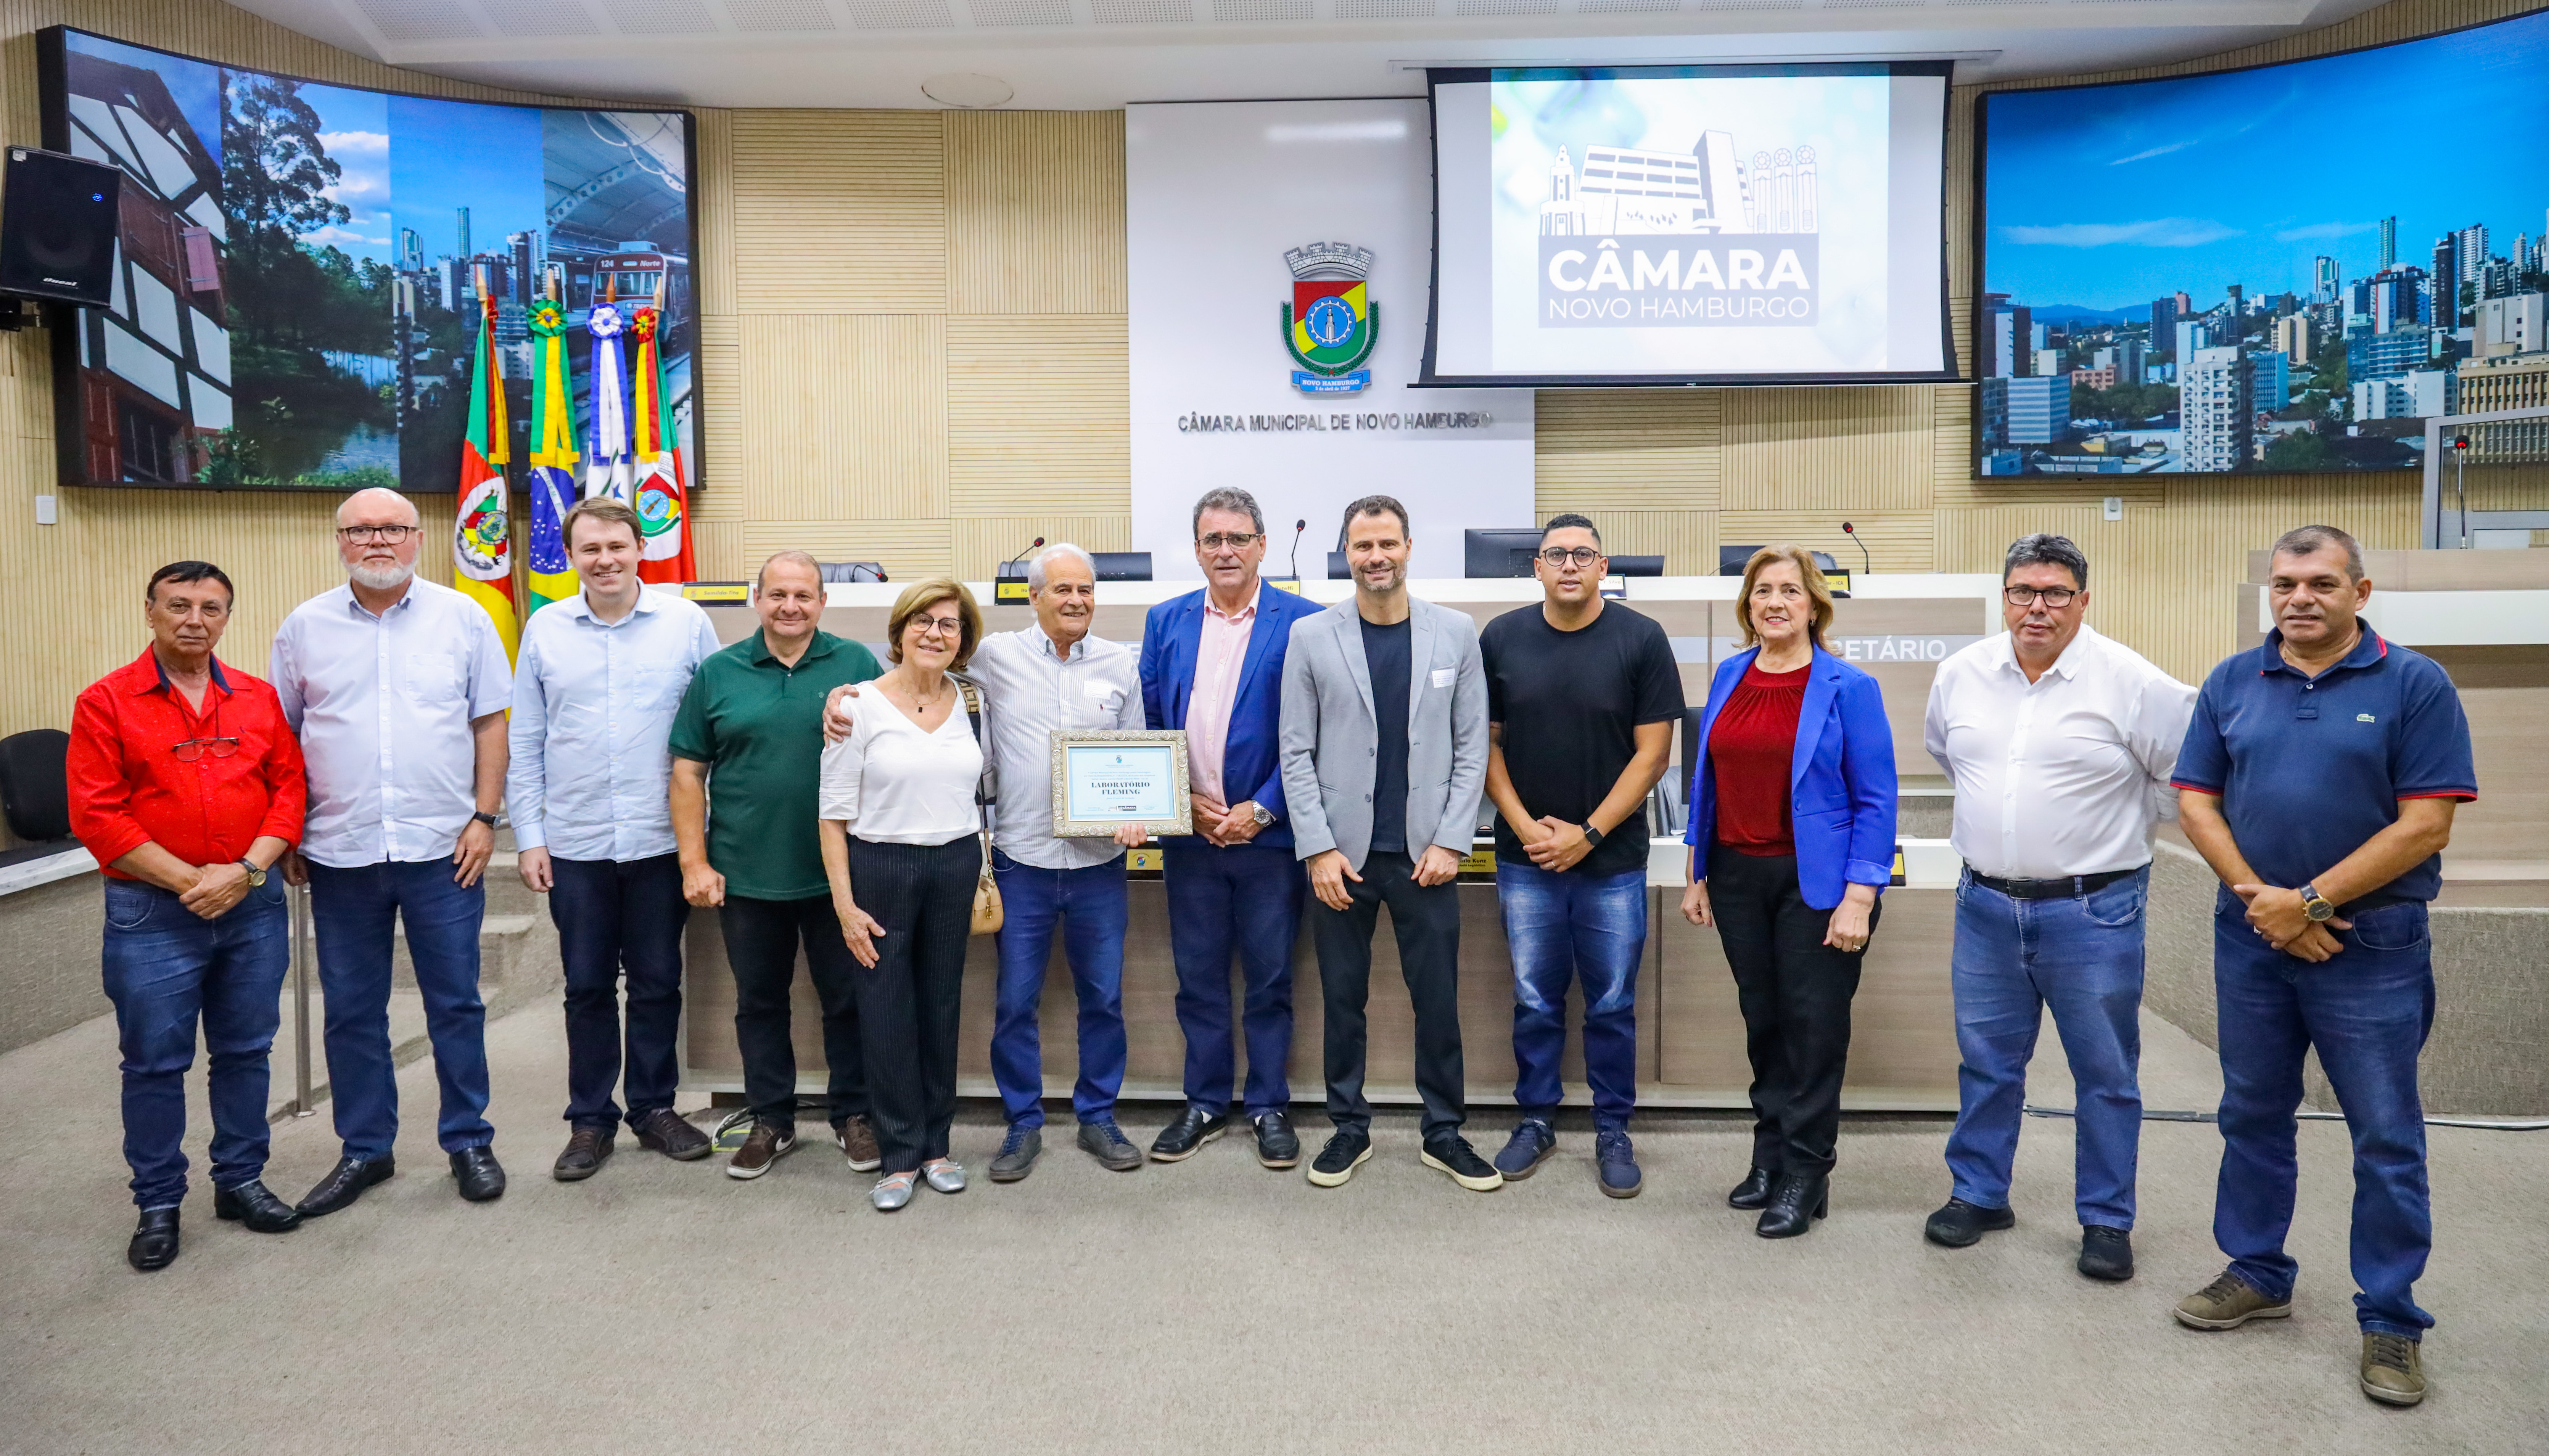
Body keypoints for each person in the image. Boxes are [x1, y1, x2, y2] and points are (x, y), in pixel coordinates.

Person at [2167, 524, 2474, 1409]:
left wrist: (2304, 903)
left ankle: (2389, 1316)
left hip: (2369, 945)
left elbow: (2424, 823)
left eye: (2319, 583)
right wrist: (2262, 902)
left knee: (2382, 1134)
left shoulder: (2414, 683)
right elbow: (2195, 798)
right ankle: (2256, 1270)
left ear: (2359, 592)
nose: (2298, 598)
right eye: (2283, 583)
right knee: (2251, 1112)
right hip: (2251, 937)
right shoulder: (2232, 680)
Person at [1921, 534, 2194, 1281]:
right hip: (1983, 907)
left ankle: (2105, 1219)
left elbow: (2184, 777)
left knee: (2103, 1072)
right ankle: (1978, 1192)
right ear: (2001, 596)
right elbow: (1948, 757)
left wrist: (2112, 827)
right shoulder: (1961, 674)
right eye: (2021, 591)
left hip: (2093, 911)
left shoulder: (2130, 681)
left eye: (2053, 593)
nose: (2035, 607)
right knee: (1986, 1064)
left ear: (2082, 599)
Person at [830, 543, 1149, 1182]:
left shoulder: (1122, 663)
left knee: (1104, 999)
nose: (1076, 600)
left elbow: (1137, 751)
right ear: (1032, 597)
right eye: (1061, 589)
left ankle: (1098, 1115)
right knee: (1015, 1003)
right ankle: (1023, 1122)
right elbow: (916, 662)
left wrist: (1140, 808)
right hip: (1019, 861)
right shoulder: (995, 657)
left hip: (1098, 865)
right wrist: (840, 695)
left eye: (1085, 589)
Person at [271, 488, 515, 1215]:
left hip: (444, 849)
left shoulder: (465, 617)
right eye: (361, 530)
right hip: (338, 852)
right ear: (340, 541)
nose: (378, 541)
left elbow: (490, 726)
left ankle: (468, 1139)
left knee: (456, 1003)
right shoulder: (303, 627)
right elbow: (282, 740)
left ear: (417, 537)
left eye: (393, 529)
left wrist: (485, 817)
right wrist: (286, 832)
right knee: (350, 1009)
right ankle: (365, 1149)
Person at [67, 562, 308, 1270]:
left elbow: (288, 792)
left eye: (211, 607)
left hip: (252, 904)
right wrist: (192, 882)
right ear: (151, 613)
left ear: (227, 618)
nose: (194, 619)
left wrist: (245, 872)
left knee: (245, 1050)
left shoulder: (259, 700)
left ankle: (240, 1181)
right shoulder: (105, 701)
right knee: (154, 1062)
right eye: (178, 605)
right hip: (153, 911)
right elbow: (97, 814)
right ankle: (159, 1202)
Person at [1279, 495, 1498, 1192]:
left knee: (1437, 999)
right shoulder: (1312, 637)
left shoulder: (1456, 633)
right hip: (1341, 858)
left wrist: (1452, 842)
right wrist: (1315, 848)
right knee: (1342, 1000)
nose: (1376, 557)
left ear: (1408, 547)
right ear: (1346, 554)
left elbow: (1471, 748)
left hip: (1425, 857)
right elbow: (1295, 753)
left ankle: (1444, 1132)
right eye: (1362, 546)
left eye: (1387, 544)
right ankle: (1348, 1128)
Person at [1679, 543, 1896, 1239]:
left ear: (1813, 605)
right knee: (1764, 1023)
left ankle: (1807, 1169)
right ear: (1748, 604)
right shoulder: (1730, 673)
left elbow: (1876, 797)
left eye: (1789, 591)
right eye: (1762, 590)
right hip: (1739, 875)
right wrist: (1697, 870)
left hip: (1820, 885)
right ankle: (1770, 1155)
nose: (1774, 602)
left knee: (1813, 1030)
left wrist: (1859, 895)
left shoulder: (1847, 687)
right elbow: (1705, 780)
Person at [509, 498, 724, 1181]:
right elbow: (526, 740)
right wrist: (530, 836)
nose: (604, 560)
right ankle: (591, 1119)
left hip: (664, 841)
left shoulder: (686, 624)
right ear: (571, 556)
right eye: (589, 549)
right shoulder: (545, 628)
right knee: (587, 987)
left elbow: (719, 725)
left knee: (660, 981)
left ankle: (654, 1107)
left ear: (640, 549)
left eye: (616, 546)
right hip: (575, 844)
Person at [1479, 514, 1682, 1198]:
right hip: (1524, 858)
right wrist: (1527, 828)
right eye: (1556, 554)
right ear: (1536, 566)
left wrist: (1587, 834)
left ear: (1603, 567)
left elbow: (1653, 754)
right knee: (1534, 999)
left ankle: (1611, 1127)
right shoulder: (1501, 638)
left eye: (1582, 554)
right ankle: (1535, 1118)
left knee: (1612, 1002)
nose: (1569, 564)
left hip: (1611, 860)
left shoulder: (1641, 639)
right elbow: (1486, 744)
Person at [670, 550, 886, 1181]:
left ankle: (855, 1114)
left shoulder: (857, 665)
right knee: (759, 1002)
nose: (790, 606)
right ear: (755, 599)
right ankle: (772, 1119)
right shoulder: (718, 672)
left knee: (847, 998)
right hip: (746, 873)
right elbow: (688, 771)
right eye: (777, 594)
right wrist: (695, 862)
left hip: (837, 874)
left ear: (823, 602)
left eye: (804, 595)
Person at [1139, 488, 1324, 1168]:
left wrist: (1263, 807)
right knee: (1199, 977)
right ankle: (1204, 1102)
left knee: (1271, 978)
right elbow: (1153, 721)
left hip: (1267, 840)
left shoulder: (1304, 621)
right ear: (1195, 549)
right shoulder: (1165, 621)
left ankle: (1269, 1104)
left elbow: (1315, 731)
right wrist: (1179, 800)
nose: (1225, 550)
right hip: (1190, 839)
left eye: (1238, 538)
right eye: (1212, 540)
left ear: (1261, 546)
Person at [819, 580, 988, 1211]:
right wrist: (844, 903)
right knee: (887, 1011)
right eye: (922, 621)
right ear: (898, 632)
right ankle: (897, 1156)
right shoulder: (857, 705)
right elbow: (831, 814)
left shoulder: (973, 700)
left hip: (953, 863)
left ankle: (937, 1146)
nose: (934, 634)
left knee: (940, 1007)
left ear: (962, 641)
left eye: (949, 625)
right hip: (880, 865)